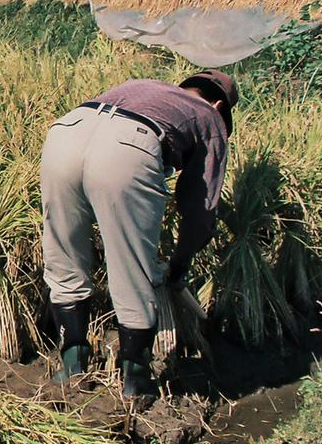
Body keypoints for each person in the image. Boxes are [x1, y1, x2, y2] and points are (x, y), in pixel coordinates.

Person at [41, 70, 238, 400]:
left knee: (64, 255)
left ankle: (71, 366)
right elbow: (200, 209)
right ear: (219, 104)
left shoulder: (143, 87)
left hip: (65, 134)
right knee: (131, 267)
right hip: (129, 146)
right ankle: (136, 381)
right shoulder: (209, 116)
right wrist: (179, 264)